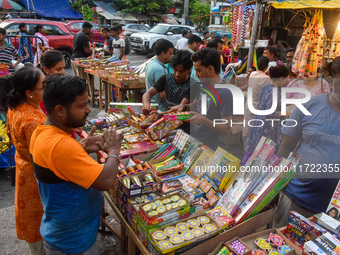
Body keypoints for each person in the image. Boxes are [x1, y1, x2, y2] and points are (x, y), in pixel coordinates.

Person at [30, 74, 123, 254]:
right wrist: (114, 151)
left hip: (65, 233)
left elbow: (58, 167)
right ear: (60, 110)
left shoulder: (43, 132)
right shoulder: (61, 145)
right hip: (72, 242)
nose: (88, 110)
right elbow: (105, 181)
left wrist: (82, 148)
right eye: (82, 106)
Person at [273, 57, 340, 228]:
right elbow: (284, 149)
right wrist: (272, 188)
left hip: (333, 213)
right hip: (295, 199)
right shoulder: (308, 106)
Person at [7, 67, 46, 255]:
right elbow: (43, 155)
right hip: (35, 173)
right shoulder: (31, 120)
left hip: (24, 167)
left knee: (31, 217)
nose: (46, 89)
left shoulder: (15, 107)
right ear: (29, 93)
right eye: (43, 86)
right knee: (38, 218)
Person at [170, 48, 233, 150]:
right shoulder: (204, 86)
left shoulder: (225, 93)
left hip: (208, 148)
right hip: (195, 142)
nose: (196, 75)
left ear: (211, 69)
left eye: (198, 70)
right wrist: (183, 107)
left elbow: (227, 129)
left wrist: (202, 120)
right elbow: (195, 105)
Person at [246, 65, 290, 153]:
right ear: (281, 78)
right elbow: (270, 112)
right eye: (286, 78)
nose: (286, 81)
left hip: (258, 122)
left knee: (255, 152)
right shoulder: (274, 91)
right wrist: (284, 113)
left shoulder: (266, 87)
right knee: (264, 154)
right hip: (267, 128)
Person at [142, 50, 199, 114]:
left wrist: (161, 115)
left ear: (188, 70)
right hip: (167, 117)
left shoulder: (193, 85)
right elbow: (148, 94)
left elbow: (179, 109)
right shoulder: (166, 78)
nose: (177, 74)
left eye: (181, 71)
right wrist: (146, 105)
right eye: (175, 70)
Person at [243, 56, 270, 150]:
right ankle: (250, 151)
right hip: (258, 106)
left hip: (249, 104)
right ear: (266, 67)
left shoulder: (253, 74)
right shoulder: (266, 78)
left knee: (247, 127)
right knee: (254, 130)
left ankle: (246, 150)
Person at [145, 39, 174, 112]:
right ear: (163, 53)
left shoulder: (151, 63)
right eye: (170, 54)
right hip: (159, 108)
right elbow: (163, 95)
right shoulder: (159, 69)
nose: (172, 56)